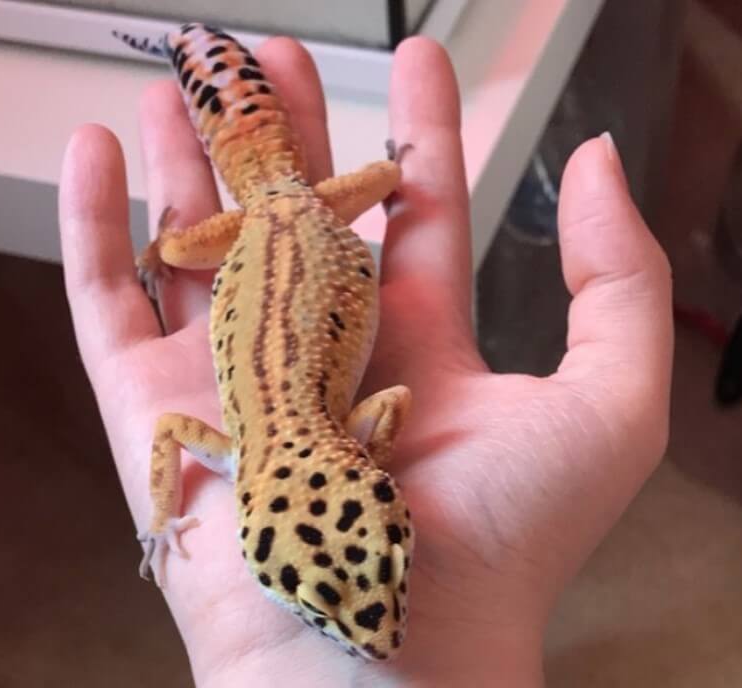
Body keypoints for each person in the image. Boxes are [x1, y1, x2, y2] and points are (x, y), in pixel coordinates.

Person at [58, 37, 673, 687]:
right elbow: (381, 402)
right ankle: (182, 57)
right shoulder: (247, 453)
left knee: (386, 180)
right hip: (282, 213)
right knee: (180, 250)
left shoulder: (248, 452)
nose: (383, 635)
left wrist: (165, 518)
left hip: (298, 212)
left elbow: (170, 432)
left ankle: (188, 54)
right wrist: (162, 518)